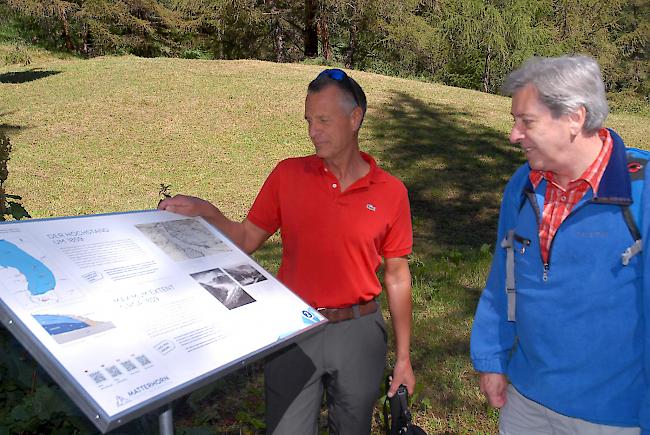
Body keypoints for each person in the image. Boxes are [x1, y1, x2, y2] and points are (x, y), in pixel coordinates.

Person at [159, 68, 415, 434]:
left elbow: (397, 275)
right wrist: (208, 213)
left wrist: (403, 358)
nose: (313, 130)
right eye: (309, 120)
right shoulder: (288, 175)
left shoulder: (390, 191)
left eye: (324, 119)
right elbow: (246, 238)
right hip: (294, 328)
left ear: (355, 117)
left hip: (359, 331)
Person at [470, 54, 650, 434]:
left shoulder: (642, 194)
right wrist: (491, 357)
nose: (514, 135)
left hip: (614, 417)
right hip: (526, 402)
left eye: (526, 122)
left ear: (574, 118)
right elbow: (503, 278)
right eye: (514, 121)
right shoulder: (523, 185)